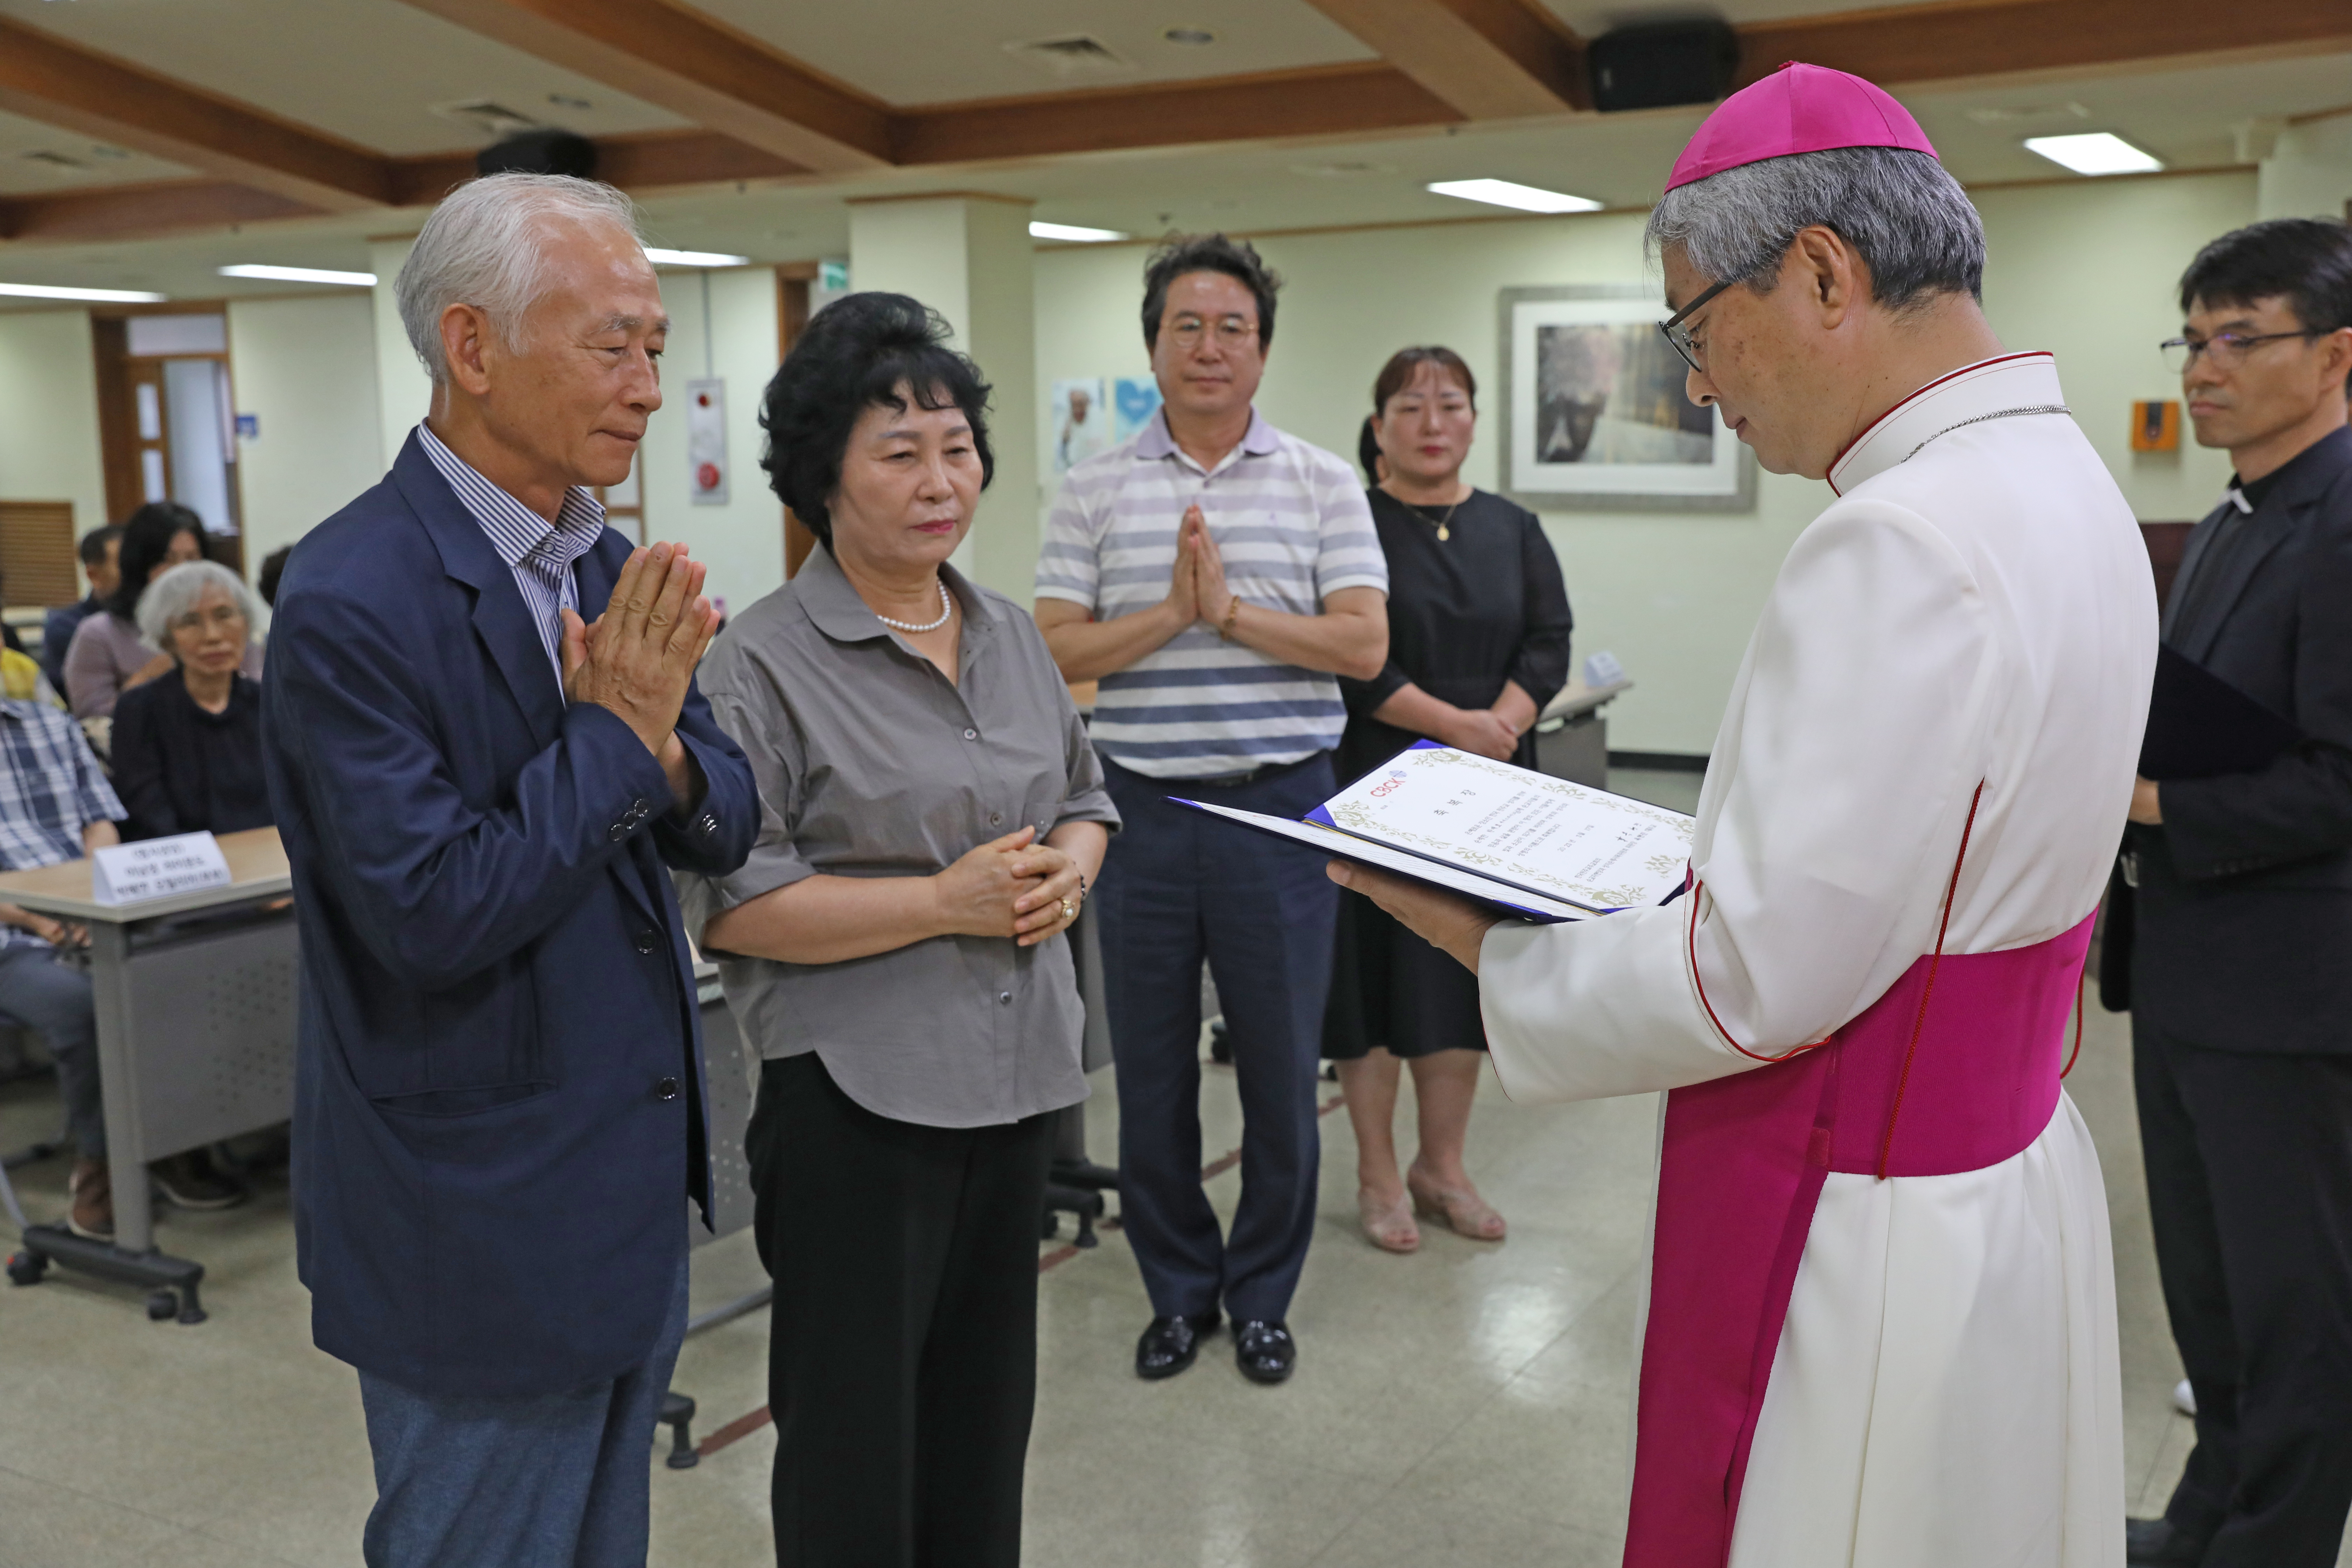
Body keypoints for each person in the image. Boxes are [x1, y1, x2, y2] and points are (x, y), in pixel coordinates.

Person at [1334, 64, 2152, 1566]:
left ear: (1821, 272)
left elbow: (1748, 978)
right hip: (2002, 1166)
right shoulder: (2062, 480)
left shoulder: (1891, 540)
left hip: (1865, 1210)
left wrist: (1481, 938)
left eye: (1697, 330)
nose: (1700, 387)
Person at [258, 172, 756, 1568]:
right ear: (472, 347)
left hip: (621, 1184)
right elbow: (430, 907)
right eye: (616, 344)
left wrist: (653, 752)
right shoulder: (354, 595)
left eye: (657, 345)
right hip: (473, 1215)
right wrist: (615, 736)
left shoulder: (597, 560)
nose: (652, 387)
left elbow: (724, 804)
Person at [677, 292, 1117, 1568]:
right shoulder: (754, 664)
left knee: (983, 1429)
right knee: (855, 1447)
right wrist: (944, 903)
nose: (940, 481)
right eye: (899, 452)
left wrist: (1067, 874)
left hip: (1015, 1079)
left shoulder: (1010, 636)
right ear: (823, 477)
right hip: (856, 1102)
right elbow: (740, 903)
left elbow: (1085, 799)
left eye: (956, 447)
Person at [1035, 233, 1389, 1386]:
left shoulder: (1323, 481)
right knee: (1149, 1073)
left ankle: (1265, 1297)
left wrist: (1231, 615)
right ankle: (1178, 1292)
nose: (1209, 348)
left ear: (1264, 351)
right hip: (1137, 811)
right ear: (1153, 347)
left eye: (1231, 328)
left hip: (1280, 811)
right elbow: (1053, 648)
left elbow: (1362, 642)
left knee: (1285, 1073)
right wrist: (1174, 617)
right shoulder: (1093, 488)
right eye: (1186, 326)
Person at [2119, 219, 2352, 1568]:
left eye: (2237, 338)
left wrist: (2140, 803)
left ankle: (2269, 1544)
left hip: (2288, 985)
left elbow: (2338, 781)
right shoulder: (2224, 519)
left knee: (2294, 1305)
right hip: (2188, 963)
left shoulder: (2339, 525)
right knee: (2207, 1296)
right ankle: (2208, 1515)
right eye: (2190, 338)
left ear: (2332, 355)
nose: (2202, 368)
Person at [1325, 345, 1572, 1253]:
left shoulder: (1513, 527)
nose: (1434, 423)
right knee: (1375, 983)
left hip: (1488, 793)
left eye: (1452, 405)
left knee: (1463, 978)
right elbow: (1353, 659)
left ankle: (1444, 1166)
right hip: (1378, 777)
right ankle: (1378, 1174)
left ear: (1475, 419)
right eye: (1411, 406)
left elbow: (1549, 641)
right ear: (1379, 423)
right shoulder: (1349, 523)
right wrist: (1447, 725)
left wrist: (1499, 721)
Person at [110, 561, 271, 842]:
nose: (213, 636)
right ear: (166, 638)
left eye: (224, 615)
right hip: (186, 869)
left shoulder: (270, 703)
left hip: (272, 860)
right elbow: (148, 813)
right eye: (190, 622)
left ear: (246, 624)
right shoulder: (138, 710)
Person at [63, 502, 258, 721]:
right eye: (169, 560)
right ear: (140, 565)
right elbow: (92, 718)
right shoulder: (98, 633)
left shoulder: (230, 626)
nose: (183, 572)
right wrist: (155, 677)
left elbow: (262, 699)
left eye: (193, 559)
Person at [43, 525, 120, 693]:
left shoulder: (156, 618)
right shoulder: (68, 626)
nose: (136, 572)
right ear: (94, 575)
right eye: (123, 564)